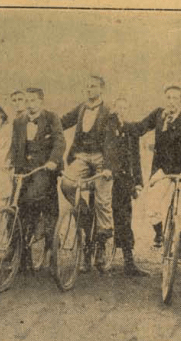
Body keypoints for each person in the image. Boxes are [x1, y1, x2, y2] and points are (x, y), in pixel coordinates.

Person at [119, 84, 181, 256]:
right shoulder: (159, 115)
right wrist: (122, 124)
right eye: (168, 98)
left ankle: (180, 251)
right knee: (151, 204)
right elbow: (140, 128)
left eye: (175, 98)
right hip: (162, 170)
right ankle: (160, 234)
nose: (171, 101)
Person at [60, 75, 119, 271]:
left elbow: (111, 142)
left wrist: (108, 167)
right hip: (83, 156)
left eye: (93, 86)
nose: (89, 89)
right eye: (87, 86)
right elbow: (62, 122)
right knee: (67, 183)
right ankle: (83, 212)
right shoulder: (82, 108)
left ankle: (101, 243)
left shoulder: (110, 111)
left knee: (102, 201)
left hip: (102, 158)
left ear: (101, 89)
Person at [9, 88, 65, 270]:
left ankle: (48, 246)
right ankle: (22, 255)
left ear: (41, 101)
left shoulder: (51, 117)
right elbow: (16, 146)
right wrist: (13, 165)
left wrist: (53, 161)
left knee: (43, 207)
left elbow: (60, 141)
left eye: (33, 100)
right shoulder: (19, 121)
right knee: (19, 207)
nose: (29, 104)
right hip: (25, 170)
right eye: (27, 100)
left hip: (45, 169)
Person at [110, 97, 148, 276]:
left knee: (124, 217)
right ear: (114, 109)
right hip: (107, 176)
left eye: (125, 108)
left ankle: (128, 261)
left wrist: (138, 182)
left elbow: (135, 158)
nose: (121, 111)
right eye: (119, 108)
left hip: (123, 179)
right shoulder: (107, 127)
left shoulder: (131, 130)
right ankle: (91, 256)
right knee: (101, 214)